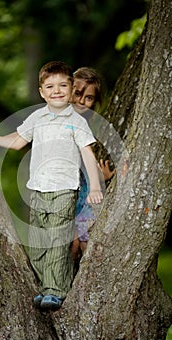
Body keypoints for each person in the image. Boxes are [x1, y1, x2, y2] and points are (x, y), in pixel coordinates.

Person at [0, 61, 103, 311]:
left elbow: (88, 154)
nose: (57, 90)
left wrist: (96, 187)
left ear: (70, 88)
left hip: (65, 190)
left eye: (63, 85)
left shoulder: (77, 121)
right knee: (38, 243)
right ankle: (48, 287)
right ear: (42, 92)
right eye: (50, 86)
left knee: (56, 240)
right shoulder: (38, 117)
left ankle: (56, 291)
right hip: (37, 189)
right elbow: (17, 142)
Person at [70, 67, 115, 261]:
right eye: (78, 94)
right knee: (72, 243)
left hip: (85, 194)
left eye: (88, 98)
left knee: (83, 241)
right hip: (66, 193)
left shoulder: (85, 126)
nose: (81, 101)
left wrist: (101, 177)